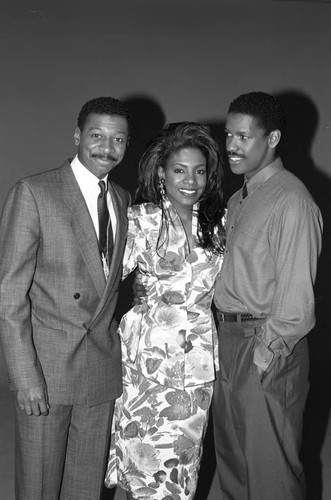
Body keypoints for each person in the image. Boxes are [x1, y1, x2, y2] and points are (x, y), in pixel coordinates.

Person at [0, 96, 131, 500]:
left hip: (99, 371)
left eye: (118, 139)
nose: (107, 148)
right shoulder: (35, 193)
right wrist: (25, 378)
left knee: (85, 489)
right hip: (47, 372)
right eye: (96, 135)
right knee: (38, 487)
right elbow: (9, 295)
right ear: (77, 136)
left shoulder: (123, 200)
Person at [104, 122, 226, 499]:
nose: (191, 180)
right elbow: (103, 277)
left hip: (197, 368)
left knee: (181, 470)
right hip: (146, 366)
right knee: (139, 462)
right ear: (162, 173)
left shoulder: (218, 225)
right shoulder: (141, 220)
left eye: (199, 170)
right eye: (179, 170)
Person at [212, 91, 323, 500]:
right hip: (227, 341)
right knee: (235, 464)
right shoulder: (240, 199)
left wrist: (265, 353)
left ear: (272, 138)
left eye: (243, 137)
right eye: (228, 135)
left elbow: (296, 302)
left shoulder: (292, 201)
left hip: (266, 346)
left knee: (271, 471)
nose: (231, 146)